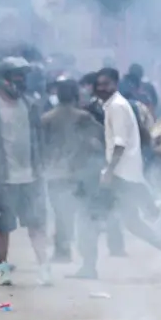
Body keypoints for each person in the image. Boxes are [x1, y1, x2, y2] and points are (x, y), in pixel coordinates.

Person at [72, 67, 161, 279]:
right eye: (99, 85)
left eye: (106, 84)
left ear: (115, 84)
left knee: (89, 219)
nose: (101, 89)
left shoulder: (116, 107)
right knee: (133, 223)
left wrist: (109, 171)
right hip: (127, 175)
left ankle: (88, 268)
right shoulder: (117, 106)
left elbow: (120, 143)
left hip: (118, 175)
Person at [0, 58, 52, 286]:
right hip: (3, 177)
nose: (20, 80)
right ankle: (3, 269)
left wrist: (42, 166)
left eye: (22, 75)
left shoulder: (31, 106)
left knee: (36, 224)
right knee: (2, 226)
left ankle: (44, 268)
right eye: (15, 74)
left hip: (31, 176)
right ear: (3, 78)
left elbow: (39, 139)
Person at [40, 78, 103, 263]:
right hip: (79, 172)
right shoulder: (83, 117)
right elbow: (98, 139)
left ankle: (62, 251)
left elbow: (40, 146)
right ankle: (81, 253)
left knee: (60, 213)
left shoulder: (47, 118)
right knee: (81, 212)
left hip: (55, 171)